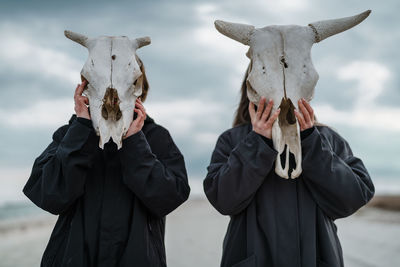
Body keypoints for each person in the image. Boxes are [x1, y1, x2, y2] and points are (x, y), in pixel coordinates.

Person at [23, 69, 190, 266]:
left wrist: (135, 142)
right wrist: (82, 128)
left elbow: (170, 197)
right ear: (87, 88)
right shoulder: (72, 134)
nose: (114, 94)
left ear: (139, 90)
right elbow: (48, 195)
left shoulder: (156, 137)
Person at [203, 76, 375, 267]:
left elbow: (355, 196)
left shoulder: (327, 139)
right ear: (252, 87)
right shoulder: (232, 140)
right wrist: (257, 142)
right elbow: (223, 200)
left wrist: (311, 142)